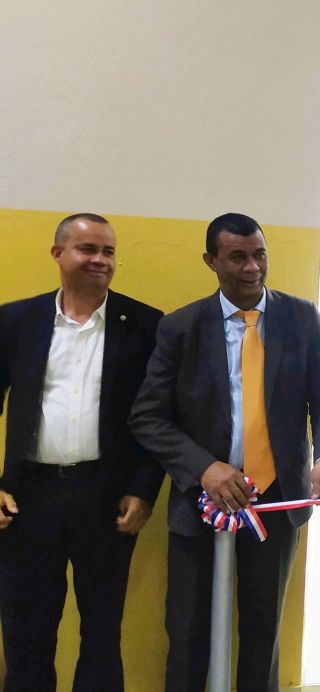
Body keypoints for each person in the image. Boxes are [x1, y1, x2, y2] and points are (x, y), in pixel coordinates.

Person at [129, 213, 320, 692]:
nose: (253, 268)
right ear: (211, 261)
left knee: (263, 630)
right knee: (187, 631)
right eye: (238, 257)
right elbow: (147, 416)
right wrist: (204, 467)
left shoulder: (302, 317)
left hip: (278, 499)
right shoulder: (181, 327)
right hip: (199, 504)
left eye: (260, 254)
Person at [0, 213, 164, 692]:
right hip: (28, 500)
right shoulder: (15, 322)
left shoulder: (147, 325)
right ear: (58, 254)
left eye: (108, 251)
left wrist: (144, 488)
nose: (100, 260)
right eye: (87, 249)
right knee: (27, 632)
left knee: (101, 632)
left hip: (107, 499)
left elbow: (158, 418)